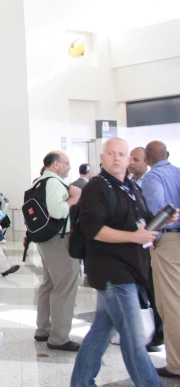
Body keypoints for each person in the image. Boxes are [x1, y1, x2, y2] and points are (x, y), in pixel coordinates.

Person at [70, 137, 177, 387]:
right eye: (111, 154)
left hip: (130, 267)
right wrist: (135, 236)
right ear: (102, 158)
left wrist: (164, 221)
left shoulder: (130, 186)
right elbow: (93, 230)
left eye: (122, 154)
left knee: (101, 331)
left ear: (129, 160)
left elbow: (142, 219)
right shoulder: (97, 187)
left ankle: (81, 382)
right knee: (133, 339)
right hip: (112, 272)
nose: (117, 158)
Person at [32, 151, 83, 352]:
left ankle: (43, 329)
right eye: (67, 163)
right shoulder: (53, 183)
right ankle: (59, 337)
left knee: (49, 283)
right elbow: (59, 211)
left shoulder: (39, 182)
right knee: (66, 284)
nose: (69, 167)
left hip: (46, 239)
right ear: (55, 165)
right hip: (57, 239)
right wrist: (73, 198)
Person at [142, 140, 180, 371]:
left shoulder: (152, 177)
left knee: (171, 304)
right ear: (167, 154)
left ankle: (176, 365)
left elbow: (158, 211)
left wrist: (151, 238)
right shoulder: (178, 172)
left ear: (147, 158)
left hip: (168, 241)